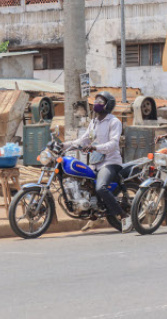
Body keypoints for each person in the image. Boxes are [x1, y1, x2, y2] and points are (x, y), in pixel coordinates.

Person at [63, 92, 133, 233]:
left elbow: (113, 144)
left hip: (110, 162)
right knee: (82, 182)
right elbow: (82, 140)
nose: (96, 103)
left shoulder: (114, 122)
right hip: (95, 163)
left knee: (101, 188)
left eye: (100, 101)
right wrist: (62, 145)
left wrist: (95, 147)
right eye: (95, 101)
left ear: (108, 105)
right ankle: (93, 210)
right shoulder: (94, 123)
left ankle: (123, 215)